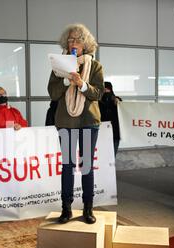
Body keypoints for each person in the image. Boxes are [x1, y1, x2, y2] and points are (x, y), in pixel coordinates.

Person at [48, 23, 104, 224]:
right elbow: (53, 94)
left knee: (86, 166)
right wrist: (66, 82)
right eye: (70, 39)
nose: (73, 42)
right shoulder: (59, 66)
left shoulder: (95, 66)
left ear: (85, 44)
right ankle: (67, 208)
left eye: (77, 40)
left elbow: (98, 94)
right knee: (67, 165)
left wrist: (82, 85)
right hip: (65, 122)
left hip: (89, 122)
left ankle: (88, 209)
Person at [99, 82, 122, 158]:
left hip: (111, 131)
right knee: (108, 155)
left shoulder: (115, 100)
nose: (106, 91)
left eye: (107, 89)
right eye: (104, 89)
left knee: (109, 155)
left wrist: (117, 100)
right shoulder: (98, 101)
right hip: (107, 131)